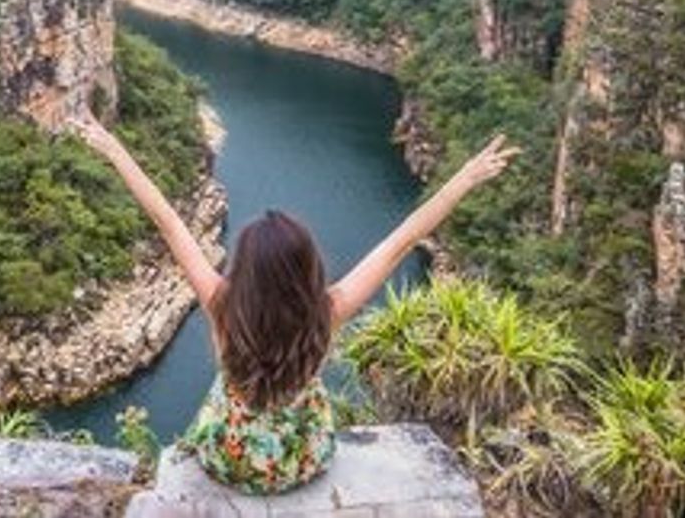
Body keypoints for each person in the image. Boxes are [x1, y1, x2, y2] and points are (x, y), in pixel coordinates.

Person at [70, 110, 520, 495]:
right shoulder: (329, 309)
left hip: (231, 459)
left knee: (214, 411)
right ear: (307, 269)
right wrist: (466, 178)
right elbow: (404, 239)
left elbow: (167, 222)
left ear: (244, 268)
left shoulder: (221, 303)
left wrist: (113, 149)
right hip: (301, 461)